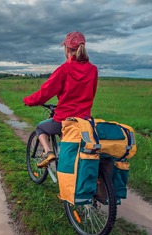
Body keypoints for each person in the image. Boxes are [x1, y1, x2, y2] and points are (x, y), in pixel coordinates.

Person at [23, 31, 98, 168]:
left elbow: (45, 92)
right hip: (84, 121)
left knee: (40, 128)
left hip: (64, 119)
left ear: (67, 49)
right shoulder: (93, 70)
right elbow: (91, 94)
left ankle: (48, 151)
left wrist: (29, 101)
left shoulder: (64, 69)